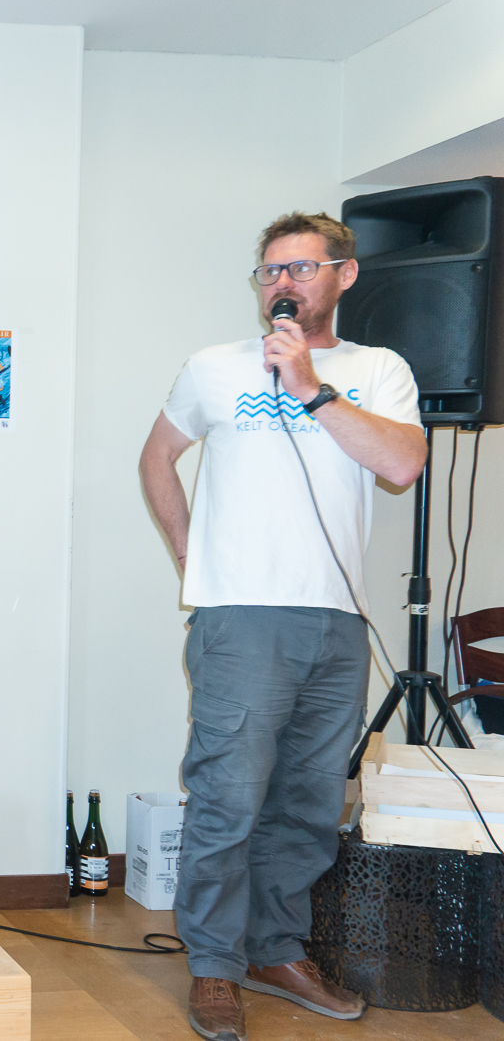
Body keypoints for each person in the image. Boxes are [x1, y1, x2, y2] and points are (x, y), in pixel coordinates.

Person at [138, 212, 426, 1041]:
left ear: (345, 273)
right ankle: (215, 965)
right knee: (227, 798)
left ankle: (276, 950)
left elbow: (402, 464)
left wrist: (310, 386)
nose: (282, 284)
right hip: (242, 620)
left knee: (307, 803)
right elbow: (156, 458)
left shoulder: (379, 369)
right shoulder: (214, 366)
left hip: (338, 622)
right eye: (269, 271)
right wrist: (193, 557)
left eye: (300, 268)